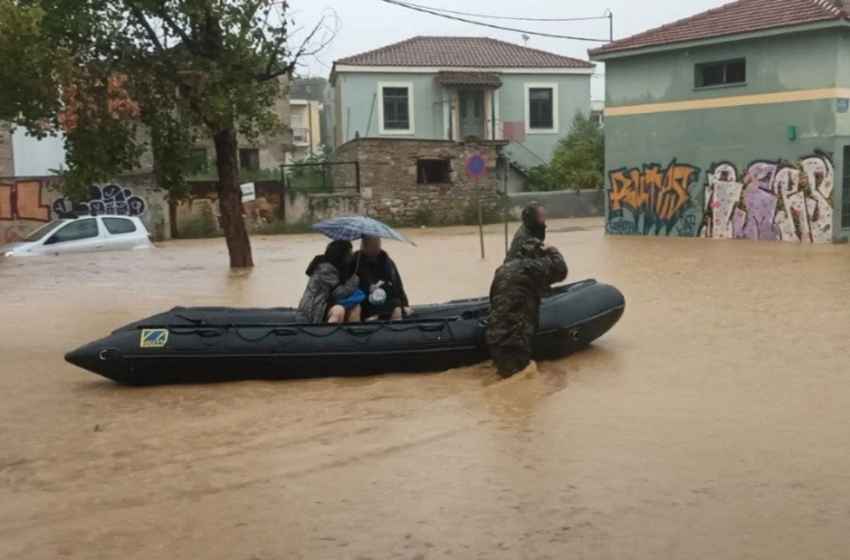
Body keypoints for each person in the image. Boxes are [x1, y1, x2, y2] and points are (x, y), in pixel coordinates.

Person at [486, 238, 568, 378]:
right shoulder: (531, 267)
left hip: (494, 336)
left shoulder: (502, 270)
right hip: (514, 340)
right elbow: (561, 269)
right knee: (519, 384)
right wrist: (550, 249)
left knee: (504, 378)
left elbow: (492, 299)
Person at [297, 240, 363, 324]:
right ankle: (329, 336)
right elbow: (340, 293)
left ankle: (353, 336)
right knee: (339, 311)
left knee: (356, 307)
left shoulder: (340, 268)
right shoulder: (326, 269)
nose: (351, 257)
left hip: (326, 304)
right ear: (340, 256)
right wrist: (353, 282)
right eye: (349, 255)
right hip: (314, 308)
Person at [353, 235, 412, 321]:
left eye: (377, 245)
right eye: (372, 246)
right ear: (364, 246)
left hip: (384, 299)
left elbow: (397, 284)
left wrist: (405, 304)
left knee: (397, 306)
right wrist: (370, 285)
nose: (376, 248)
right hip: (364, 300)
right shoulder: (356, 261)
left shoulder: (386, 261)